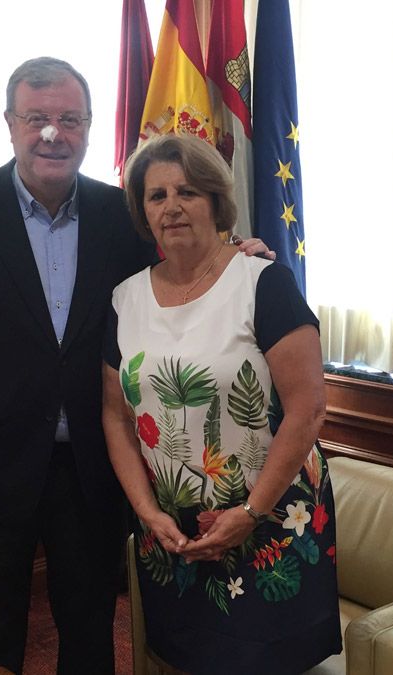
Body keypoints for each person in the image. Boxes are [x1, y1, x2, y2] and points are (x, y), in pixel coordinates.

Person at [0, 57, 270, 675]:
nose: (54, 133)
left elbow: (179, 260)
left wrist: (237, 255)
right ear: (11, 124)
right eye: (38, 118)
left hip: (93, 468)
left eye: (70, 119)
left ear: (90, 127)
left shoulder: (118, 212)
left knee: (90, 620)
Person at [102, 133, 341, 674]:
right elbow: (115, 416)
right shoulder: (124, 299)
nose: (171, 206)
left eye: (187, 191)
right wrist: (147, 513)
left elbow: (308, 410)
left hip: (269, 516)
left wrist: (250, 512)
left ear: (215, 199)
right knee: (184, 659)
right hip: (172, 529)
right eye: (156, 195)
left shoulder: (263, 283)